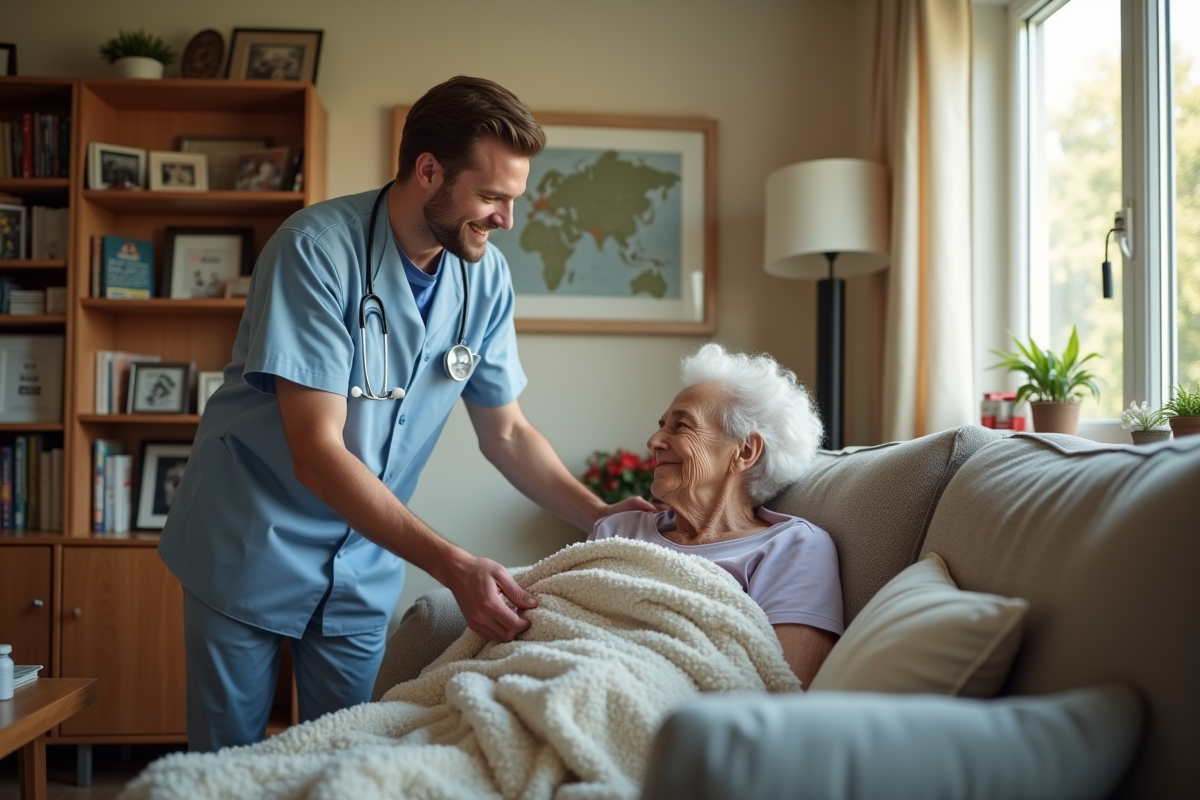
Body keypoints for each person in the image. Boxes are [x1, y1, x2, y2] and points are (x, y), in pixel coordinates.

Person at [158, 75, 653, 752]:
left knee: (350, 758)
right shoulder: (315, 251)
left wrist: (601, 517)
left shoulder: (484, 277)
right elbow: (317, 453)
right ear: (428, 171)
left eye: (514, 199)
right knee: (228, 767)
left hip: (363, 561)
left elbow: (507, 431)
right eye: (492, 196)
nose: (506, 219)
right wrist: (454, 567)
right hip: (251, 540)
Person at [590, 343, 843, 686]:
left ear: (745, 451)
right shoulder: (617, 529)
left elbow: (784, 685)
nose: (654, 441)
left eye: (681, 426)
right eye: (661, 426)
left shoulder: (793, 547)